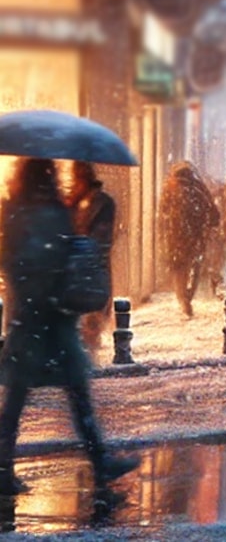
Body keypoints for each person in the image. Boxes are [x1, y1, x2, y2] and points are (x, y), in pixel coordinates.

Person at [0, 158, 138, 495]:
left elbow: (11, 262)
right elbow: (51, 262)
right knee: (74, 393)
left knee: (20, 399)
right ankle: (100, 460)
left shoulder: (15, 212)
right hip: (51, 321)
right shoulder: (51, 212)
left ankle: (5, 469)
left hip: (28, 319)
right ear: (46, 176)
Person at [65, 161, 116, 354]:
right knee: (79, 318)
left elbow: (103, 239)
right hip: (74, 269)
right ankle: (83, 359)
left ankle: (88, 360)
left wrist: (82, 246)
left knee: (92, 317)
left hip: (92, 268)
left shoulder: (103, 203)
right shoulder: (72, 202)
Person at [159, 162, 220, 317]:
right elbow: (213, 213)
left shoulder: (170, 191)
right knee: (194, 267)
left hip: (176, 237)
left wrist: (164, 233)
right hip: (195, 236)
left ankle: (183, 298)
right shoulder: (199, 189)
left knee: (179, 269)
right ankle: (187, 296)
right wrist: (208, 226)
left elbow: (162, 214)